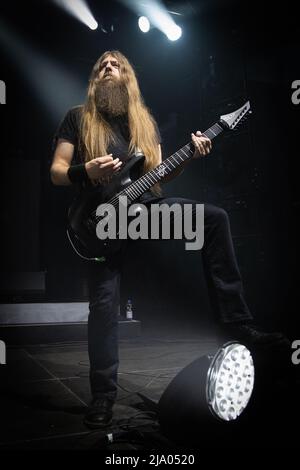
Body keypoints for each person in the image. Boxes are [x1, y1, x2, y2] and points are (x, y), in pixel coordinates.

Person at [50, 50, 283, 429]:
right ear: (95, 79)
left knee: (213, 218)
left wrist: (191, 154)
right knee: (105, 305)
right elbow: (57, 172)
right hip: (100, 224)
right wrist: (85, 169)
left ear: (128, 77)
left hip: (145, 215)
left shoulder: (144, 121)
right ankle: (103, 396)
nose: (109, 68)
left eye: (117, 65)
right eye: (102, 66)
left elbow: (157, 176)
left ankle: (237, 322)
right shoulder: (78, 118)